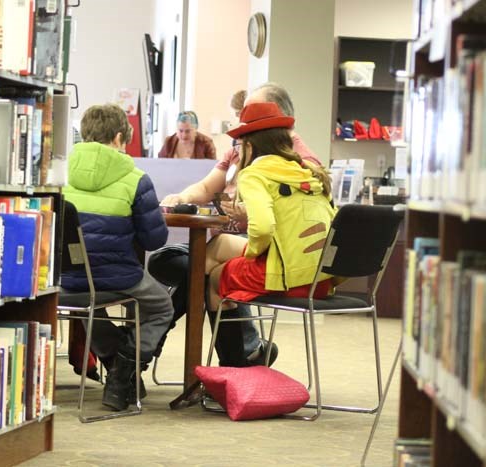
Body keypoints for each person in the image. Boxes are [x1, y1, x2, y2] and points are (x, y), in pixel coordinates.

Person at [147, 82, 323, 367]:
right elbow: (206, 186)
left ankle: (141, 347)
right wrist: (182, 196)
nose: (244, 122)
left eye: (250, 115)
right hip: (230, 244)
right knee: (166, 261)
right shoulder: (240, 151)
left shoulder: (303, 161)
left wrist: (247, 220)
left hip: (270, 255)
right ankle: (246, 353)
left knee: (206, 270)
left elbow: (288, 220)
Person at [62, 104, 174, 411]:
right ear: (119, 136)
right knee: (162, 306)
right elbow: (154, 239)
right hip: (119, 275)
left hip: (68, 278)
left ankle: (115, 367)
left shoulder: (59, 171)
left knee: (86, 306)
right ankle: (122, 371)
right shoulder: (136, 178)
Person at [205, 101, 336, 314]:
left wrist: (251, 255)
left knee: (214, 279)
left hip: (287, 277)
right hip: (321, 279)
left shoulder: (254, 173)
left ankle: (238, 348)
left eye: (238, 145)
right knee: (217, 246)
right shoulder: (309, 171)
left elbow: (263, 229)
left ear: (249, 146)